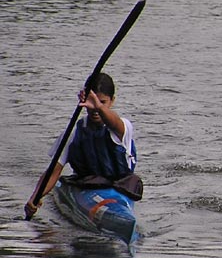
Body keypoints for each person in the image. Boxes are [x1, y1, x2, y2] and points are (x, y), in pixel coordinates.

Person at [25, 73, 140, 218]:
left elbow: (113, 121)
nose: (95, 109)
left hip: (121, 189)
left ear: (112, 101)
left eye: (102, 102)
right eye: (91, 102)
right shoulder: (72, 134)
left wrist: (98, 106)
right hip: (88, 187)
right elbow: (53, 171)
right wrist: (35, 198)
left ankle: (121, 219)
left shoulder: (122, 127)